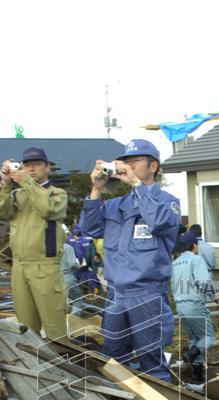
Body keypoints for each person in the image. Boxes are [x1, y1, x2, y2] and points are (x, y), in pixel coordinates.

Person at [80, 139, 180, 381]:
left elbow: (159, 222)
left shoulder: (167, 202)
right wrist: (96, 190)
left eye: (135, 161)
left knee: (151, 361)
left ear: (153, 166)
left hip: (147, 292)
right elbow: (89, 228)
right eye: (126, 161)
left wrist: (137, 184)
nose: (129, 166)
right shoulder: (115, 205)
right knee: (114, 358)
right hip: (116, 292)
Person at [0, 146, 69, 337]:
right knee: (25, 328)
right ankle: (31, 356)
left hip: (45, 267)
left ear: (48, 167)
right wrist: (5, 183)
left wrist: (25, 181)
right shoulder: (17, 195)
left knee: (54, 328)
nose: (31, 169)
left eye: (37, 164)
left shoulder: (57, 193)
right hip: (19, 266)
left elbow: (47, 209)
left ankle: (60, 357)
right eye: (26, 165)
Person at [171, 229, 216, 383]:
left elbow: (173, 286)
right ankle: (189, 356)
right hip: (194, 304)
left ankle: (197, 374)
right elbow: (203, 282)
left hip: (180, 306)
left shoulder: (175, 263)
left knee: (195, 339)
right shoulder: (196, 260)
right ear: (195, 245)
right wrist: (213, 296)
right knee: (208, 338)